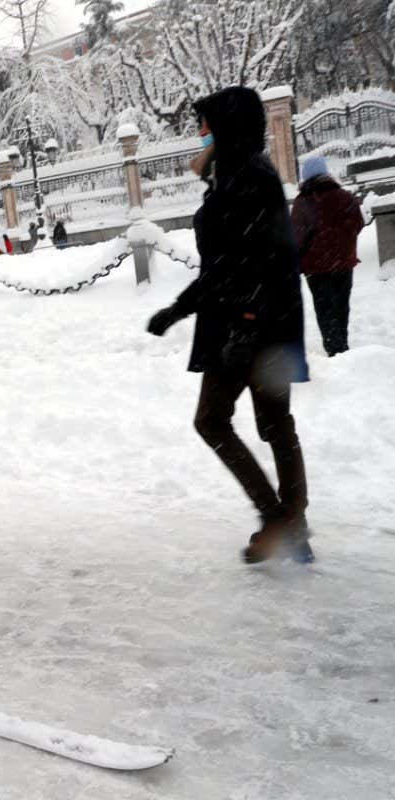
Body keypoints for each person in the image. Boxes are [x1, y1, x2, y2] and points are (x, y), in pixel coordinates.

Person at [146, 86, 311, 565]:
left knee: (214, 420)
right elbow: (224, 264)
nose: (198, 134)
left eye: (205, 124)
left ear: (227, 127)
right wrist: (179, 310)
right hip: (257, 319)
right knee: (274, 424)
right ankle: (290, 523)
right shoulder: (234, 175)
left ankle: (279, 519)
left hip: (251, 322)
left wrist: (243, 319)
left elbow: (253, 261)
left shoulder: (246, 177)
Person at [291, 155, 364, 357]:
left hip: (315, 267)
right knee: (341, 304)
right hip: (343, 263)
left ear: (306, 178)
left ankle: (333, 347)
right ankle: (342, 345)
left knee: (324, 308)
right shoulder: (345, 196)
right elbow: (358, 224)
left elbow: (296, 237)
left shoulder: (302, 202)